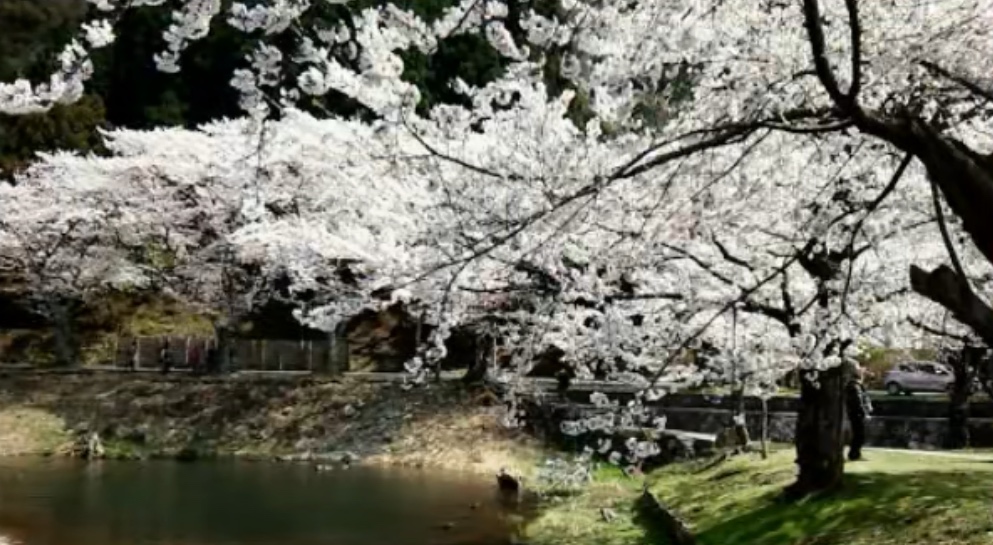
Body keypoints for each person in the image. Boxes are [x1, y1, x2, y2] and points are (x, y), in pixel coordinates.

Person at [846, 364, 873, 461]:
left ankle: (855, 453)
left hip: (855, 413)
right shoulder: (855, 386)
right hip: (856, 414)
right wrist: (864, 413)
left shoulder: (856, 386)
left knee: (858, 434)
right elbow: (858, 402)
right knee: (859, 435)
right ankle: (854, 454)